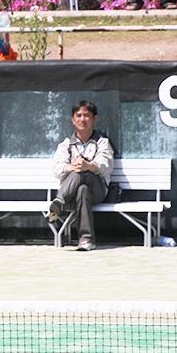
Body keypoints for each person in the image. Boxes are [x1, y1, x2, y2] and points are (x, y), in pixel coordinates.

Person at [49, 100, 114, 252]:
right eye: (78, 115)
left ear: (94, 119)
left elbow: (106, 167)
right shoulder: (65, 145)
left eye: (86, 115)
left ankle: (58, 202)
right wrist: (70, 167)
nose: (82, 119)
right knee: (81, 190)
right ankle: (86, 240)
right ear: (73, 119)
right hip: (73, 195)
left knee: (84, 173)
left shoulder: (102, 143)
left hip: (97, 191)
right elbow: (57, 170)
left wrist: (88, 166)